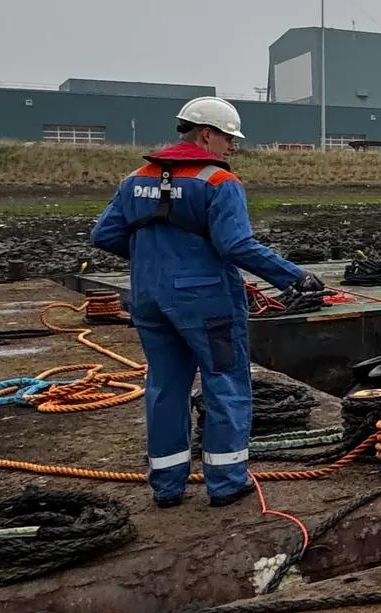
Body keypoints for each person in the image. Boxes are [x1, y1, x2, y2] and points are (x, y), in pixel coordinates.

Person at [88, 98, 317, 508]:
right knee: (225, 381)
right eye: (229, 138)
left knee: (164, 385)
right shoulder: (219, 182)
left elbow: (103, 235)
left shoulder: (134, 180)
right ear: (207, 134)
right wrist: (294, 276)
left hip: (149, 299)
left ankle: (167, 486)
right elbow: (236, 245)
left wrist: (154, 259)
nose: (233, 146)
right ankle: (227, 482)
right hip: (206, 301)